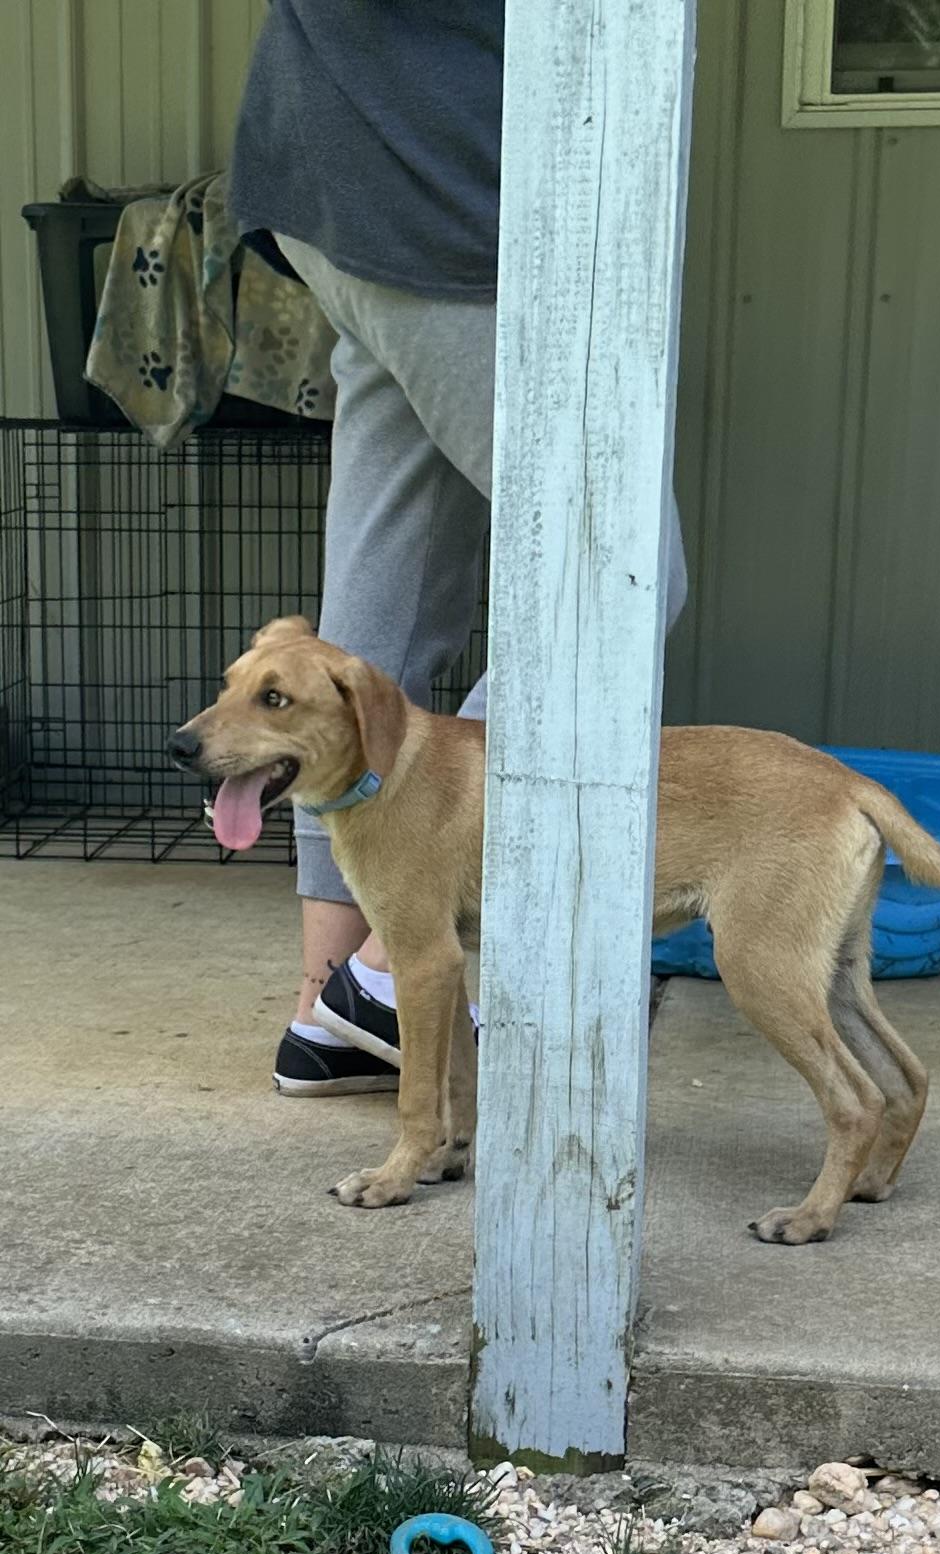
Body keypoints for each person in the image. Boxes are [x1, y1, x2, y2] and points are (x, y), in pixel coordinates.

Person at [229, 0, 688, 1095]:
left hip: (337, 176)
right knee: (620, 578)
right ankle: (387, 978)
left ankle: (328, 1008)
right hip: (440, 197)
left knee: (374, 615)